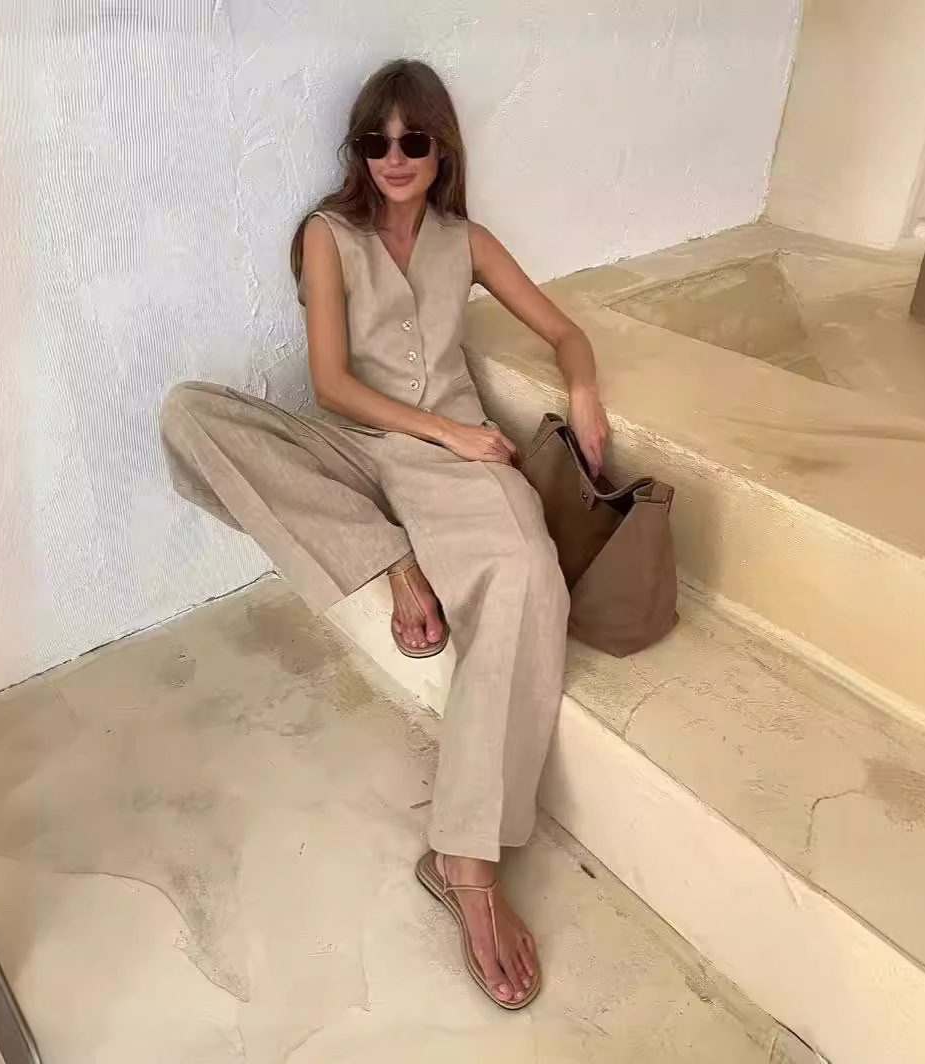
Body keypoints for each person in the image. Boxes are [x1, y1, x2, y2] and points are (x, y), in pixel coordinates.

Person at [161, 58, 608, 1009]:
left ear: (441, 148)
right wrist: (447, 429)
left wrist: (583, 390)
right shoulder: (327, 236)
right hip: (361, 449)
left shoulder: (467, 241)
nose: (394, 157)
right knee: (191, 413)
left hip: (454, 472)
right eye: (377, 140)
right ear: (358, 150)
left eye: (414, 140)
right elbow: (330, 385)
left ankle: (464, 865)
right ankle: (392, 555)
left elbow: (566, 333)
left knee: (530, 573)